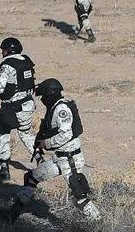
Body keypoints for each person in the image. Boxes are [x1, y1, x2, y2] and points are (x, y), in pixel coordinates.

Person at [11, 78, 101, 221]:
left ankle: (98, 223)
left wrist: (45, 144)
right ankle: (12, 215)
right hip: (59, 158)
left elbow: (66, 134)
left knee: (79, 197)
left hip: (70, 159)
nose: (42, 100)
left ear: (50, 94)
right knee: (32, 177)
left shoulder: (61, 109)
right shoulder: (54, 107)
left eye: (44, 96)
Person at [0, 37, 37, 180]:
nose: (2, 52)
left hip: (12, 107)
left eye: (3, 49)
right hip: (28, 105)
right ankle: (41, 161)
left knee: (1, 132)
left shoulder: (7, 65)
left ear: (8, 50)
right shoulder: (26, 61)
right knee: (26, 134)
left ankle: (3, 168)